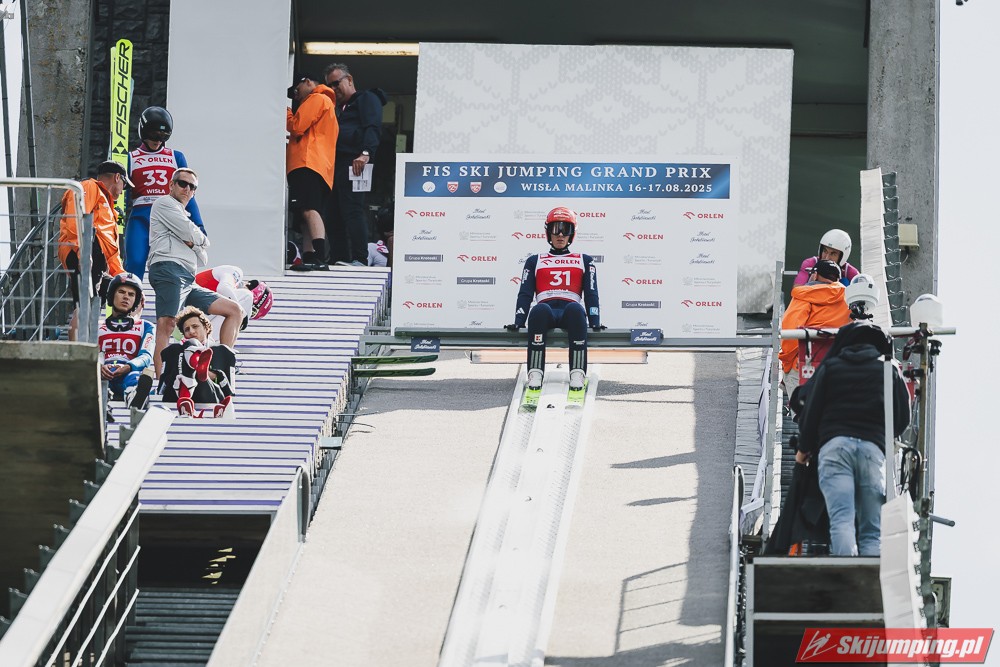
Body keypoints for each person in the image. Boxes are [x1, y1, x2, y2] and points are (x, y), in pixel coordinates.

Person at [795, 321, 911, 556]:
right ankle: (869, 574)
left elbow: (811, 413)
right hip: (872, 451)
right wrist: (883, 436)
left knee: (841, 520)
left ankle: (845, 569)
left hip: (835, 448)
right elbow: (902, 418)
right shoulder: (889, 369)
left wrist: (803, 449)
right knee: (872, 529)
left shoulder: (831, 368)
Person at [147, 168, 242, 376]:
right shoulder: (164, 203)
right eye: (183, 183)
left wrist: (193, 240)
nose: (187, 189)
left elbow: (202, 257)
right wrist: (199, 240)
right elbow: (192, 234)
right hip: (169, 268)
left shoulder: (183, 214)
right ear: (171, 185)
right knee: (167, 324)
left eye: (192, 187)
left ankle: (221, 366)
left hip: (188, 278)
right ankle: (161, 380)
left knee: (235, 310)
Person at [505, 207, 603, 393]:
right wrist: (519, 320)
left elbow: (591, 293)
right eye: (555, 229)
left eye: (565, 229)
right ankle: (535, 372)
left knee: (576, 310)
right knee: (538, 310)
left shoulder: (584, 260)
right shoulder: (535, 260)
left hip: (569, 310)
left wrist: (595, 321)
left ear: (572, 234)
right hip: (546, 310)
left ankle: (577, 372)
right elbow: (525, 293)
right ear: (548, 232)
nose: (560, 235)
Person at [124, 106, 206, 278]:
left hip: (170, 217)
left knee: (171, 264)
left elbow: (188, 193)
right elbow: (122, 193)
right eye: (153, 135)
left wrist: (199, 226)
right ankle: (130, 294)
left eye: (163, 136)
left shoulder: (176, 157)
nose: (158, 140)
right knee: (135, 262)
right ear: (143, 131)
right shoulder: (130, 158)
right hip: (141, 217)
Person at [58, 160, 131, 340]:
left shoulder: (108, 204)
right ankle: (79, 349)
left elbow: (111, 250)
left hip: (97, 257)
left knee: (101, 299)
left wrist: (123, 278)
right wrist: (82, 252)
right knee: (85, 304)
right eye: (124, 184)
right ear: (117, 177)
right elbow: (75, 217)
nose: (123, 190)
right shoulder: (89, 187)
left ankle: (92, 343)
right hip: (86, 250)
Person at [323, 63, 387, 266]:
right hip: (335, 164)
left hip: (355, 162)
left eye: (336, 83)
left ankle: (360, 257)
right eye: (330, 85)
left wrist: (366, 153)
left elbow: (373, 126)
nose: (333, 89)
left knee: (352, 210)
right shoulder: (338, 109)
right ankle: (339, 258)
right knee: (333, 213)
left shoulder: (367, 98)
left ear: (349, 80)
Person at [286, 75, 339, 271]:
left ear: (307, 81)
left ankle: (320, 257)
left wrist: (286, 112)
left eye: (297, 90)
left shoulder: (317, 98)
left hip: (308, 162)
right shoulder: (326, 103)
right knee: (305, 212)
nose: (297, 96)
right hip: (316, 165)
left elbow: (297, 126)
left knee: (309, 209)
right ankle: (310, 257)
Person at [780, 259, 852, 390]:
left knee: (802, 404)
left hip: (804, 366)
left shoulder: (804, 296)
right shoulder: (849, 299)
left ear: (814, 275)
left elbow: (790, 333)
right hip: (838, 366)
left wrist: (787, 363)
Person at [158, 306, 236, 418]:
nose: (191, 331)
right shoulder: (172, 351)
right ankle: (194, 366)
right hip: (175, 394)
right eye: (187, 329)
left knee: (197, 370)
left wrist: (213, 375)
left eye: (195, 326)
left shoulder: (223, 352)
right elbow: (161, 389)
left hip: (209, 395)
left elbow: (229, 393)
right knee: (187, 348)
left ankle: (198, 374)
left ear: (206, 328)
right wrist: (179, 371)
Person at [97, 272, 155, 409]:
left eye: (131, 294)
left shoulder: (146, 326)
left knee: (135, 378)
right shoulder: (95, 325)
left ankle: (134, 397)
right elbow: (89, 353)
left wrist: (128, 366)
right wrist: (98, 366)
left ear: (136, 300)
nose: (126, 297)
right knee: (91, 378)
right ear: (112, 295)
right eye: (121, 292)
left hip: (129, 372)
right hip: (101, 373)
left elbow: (146, 356)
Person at [195, 265, 273, 338]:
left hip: (197, 313)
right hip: (193, 304)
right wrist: (242, 313)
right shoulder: (236, 272)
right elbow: (223, 288)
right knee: (246, 296)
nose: (247, 309)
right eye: (251, 310)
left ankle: (209, 342)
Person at [794, 229, 860, 287]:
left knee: (845, 281)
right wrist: (811, 284)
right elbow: (797, 290)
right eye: (825, 251)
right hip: (812, 297)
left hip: (839, 297)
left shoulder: (850, 272)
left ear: (842, 256)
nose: (827, 257)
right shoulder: (810, 263)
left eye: (833, 254)